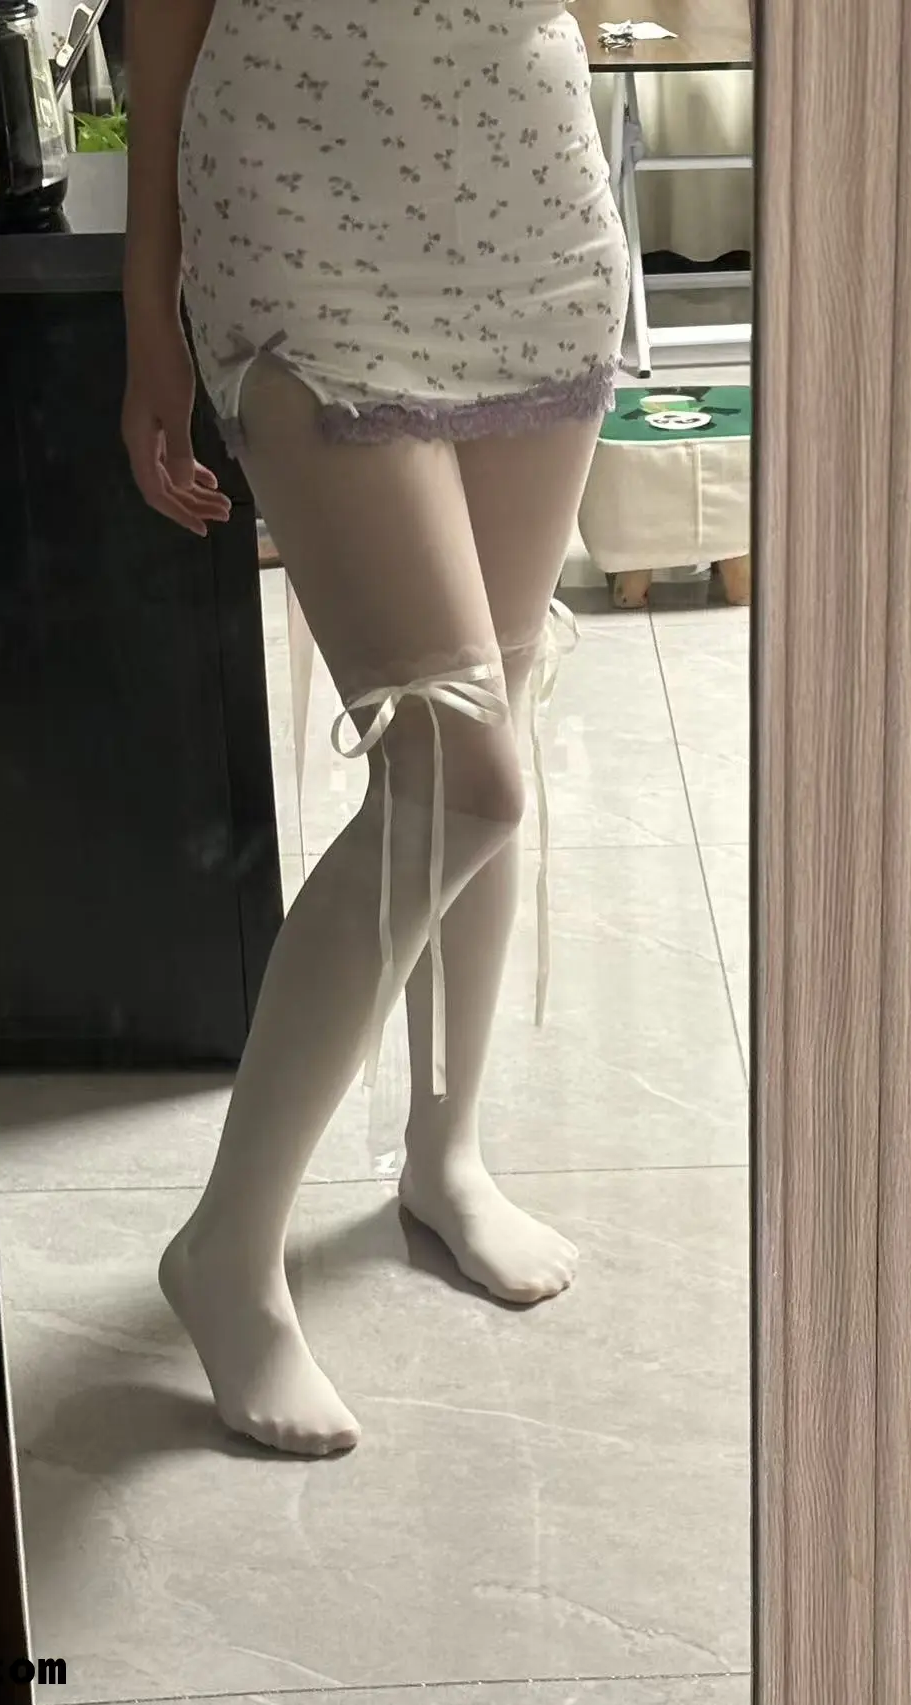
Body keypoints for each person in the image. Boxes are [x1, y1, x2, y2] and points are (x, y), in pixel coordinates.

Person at [121, 0, 630, 1457]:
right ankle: (228, 1246)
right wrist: (148, 318)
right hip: (299, 212)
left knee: (495, 712)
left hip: (530, 192)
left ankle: (444, 1156)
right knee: (460, 774)